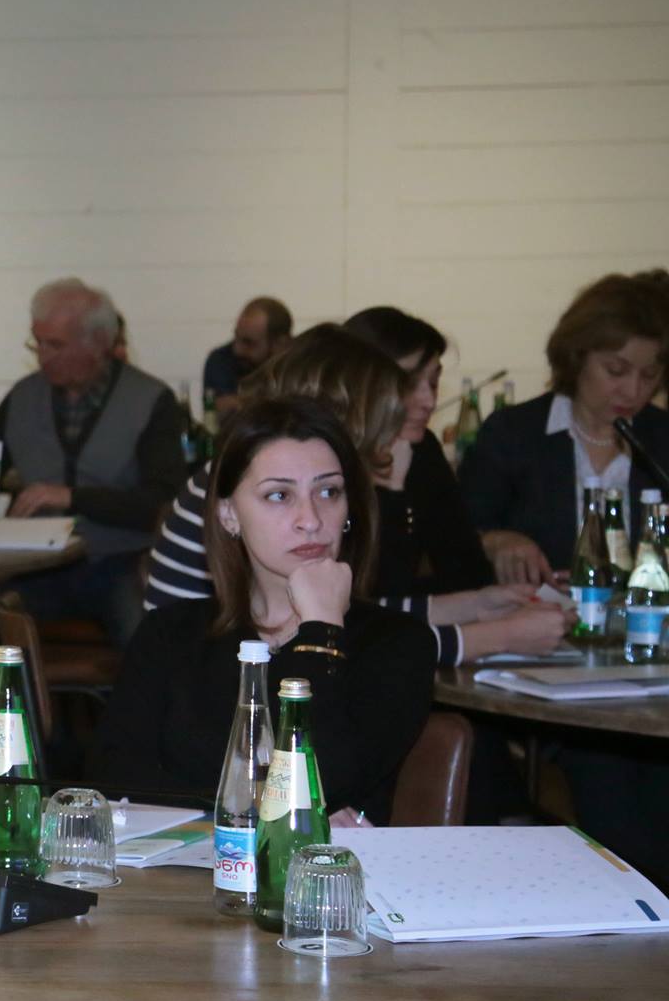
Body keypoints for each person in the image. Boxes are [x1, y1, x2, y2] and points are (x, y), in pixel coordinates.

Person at [95, 398, 436, 823]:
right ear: (229, 514)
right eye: (279, 495)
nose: (310, 519)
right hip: (184, 864)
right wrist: (258, 812)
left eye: (328, 492)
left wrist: (321, 631)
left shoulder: (398, 643)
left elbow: (321, 782)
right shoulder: (170, 634)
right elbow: (116, 779)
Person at [144, 326, 566, 664]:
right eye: (387, 413)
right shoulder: (242, 486)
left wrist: (472, 605)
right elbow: (318, 647)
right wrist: (495, 636)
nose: (396, 426)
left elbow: (351, 612)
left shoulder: (270, 477)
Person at [0, 277, 187, 650]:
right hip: (41, 567)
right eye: (37, 342)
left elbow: (162, 503)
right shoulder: (23, 396)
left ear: (98, 344)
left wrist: (73, 497)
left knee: (145, 642)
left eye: (54, 345)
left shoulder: (150, 400)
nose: (42, 355)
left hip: (120, 564)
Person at [460, 272, 669, 585]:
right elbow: (459, 532)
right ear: (576, 356)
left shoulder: (663, 436)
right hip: (537, 612)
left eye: (649, 375)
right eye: (616, 370)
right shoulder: (512, 433)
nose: (633, 391)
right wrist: (497, 541)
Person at [204, 296, 293, 418]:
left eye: (248, 342)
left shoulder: (301, 365)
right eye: (236, 337)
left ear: (280, 344)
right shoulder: (220, 360)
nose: (237, 350)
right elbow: (220, 412)